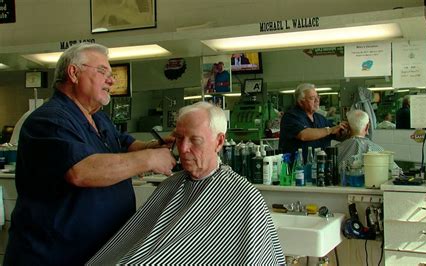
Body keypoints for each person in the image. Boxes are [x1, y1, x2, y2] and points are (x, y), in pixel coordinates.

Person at [4, 43, 176, 265]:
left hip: (97, 253)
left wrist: (154, 146)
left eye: (111, 74)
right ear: (74, 73)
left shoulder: (98, 117)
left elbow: (123, 144)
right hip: (52, 255)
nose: (112, 80)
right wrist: (150, 159)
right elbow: (82, 171)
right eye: (102, 71)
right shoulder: (48, 120)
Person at [88, 101, 285, 265]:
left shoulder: (243, 196)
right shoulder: (170, 185)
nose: (183, 148)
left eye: (195, 140)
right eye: (179, 138)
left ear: (219, 141)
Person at [279, 83, 348, 161]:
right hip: (297, 168)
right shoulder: (290, 116)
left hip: (320, 167)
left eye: (317, 97)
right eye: (312, 98)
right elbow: (303, 135)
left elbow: (336, 134)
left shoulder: (320, 118)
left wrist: (344, 130)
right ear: (301, 102)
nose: (317, 100)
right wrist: (330, 130)